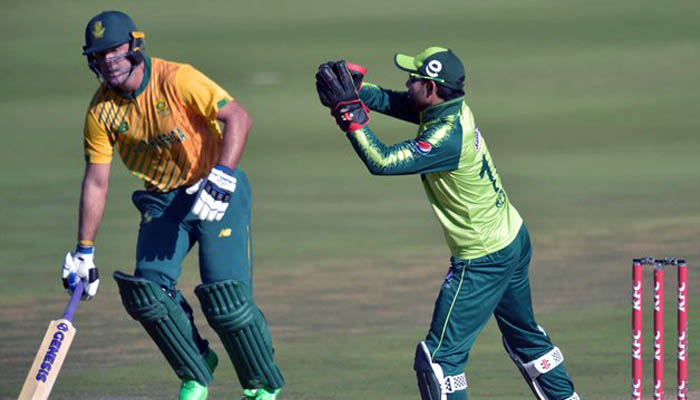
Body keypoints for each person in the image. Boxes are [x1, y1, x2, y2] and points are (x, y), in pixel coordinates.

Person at [315, 48, 579, 399]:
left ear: (432, 87)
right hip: (511, 237)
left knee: (438, 361)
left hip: (483, 257)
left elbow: (383, 161)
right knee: (526, 338)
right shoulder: (449, 108)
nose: (408, 82)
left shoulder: (446, 135)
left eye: (414, 79)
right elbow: (395, 102)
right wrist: (357, 91)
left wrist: (350, 116)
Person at [60, 10, 284, 400]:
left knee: (225, 297)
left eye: (115, 51)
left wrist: (224, 174)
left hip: (216, 190)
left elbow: (238, 117)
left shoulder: (177, 78)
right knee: (147, 292)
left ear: (134, 46)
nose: (108, 61)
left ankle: (261, 385)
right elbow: (96, 180)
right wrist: (84, 250)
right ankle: (196, 367)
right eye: (99, 55)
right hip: (162, 202)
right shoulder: (101, 111)